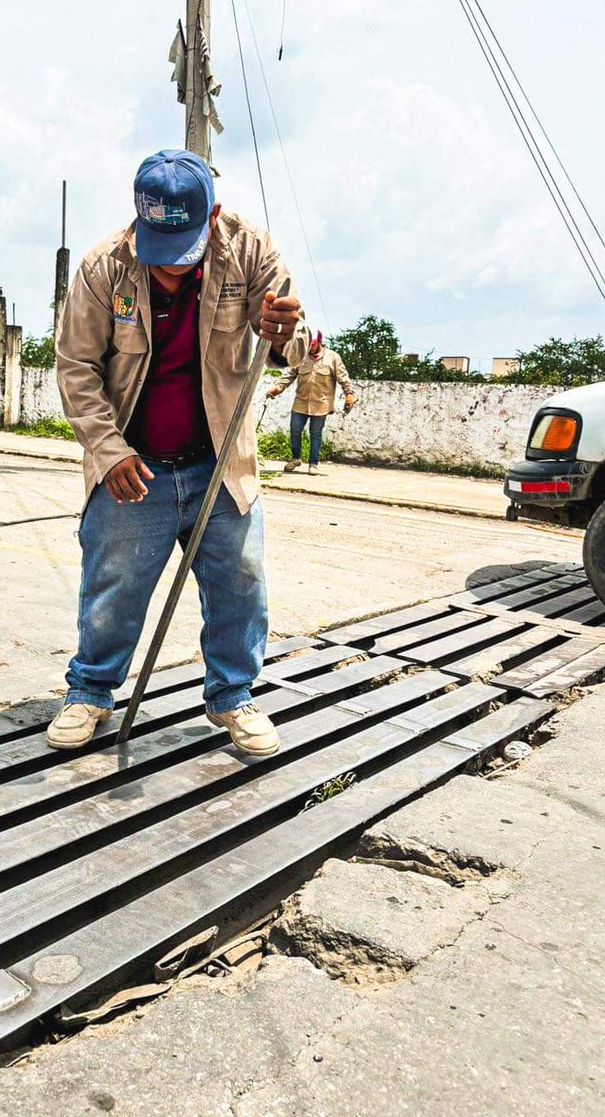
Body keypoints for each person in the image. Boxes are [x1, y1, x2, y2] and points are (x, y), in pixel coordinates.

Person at [49, 149, 311, 756]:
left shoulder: (250, 251)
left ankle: (234, 696)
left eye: (182, 257)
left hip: (219, 462)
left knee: (240, 584)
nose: (168, 272)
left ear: (211, 216)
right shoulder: (102, 268)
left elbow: (295, 349)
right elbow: (76, 367)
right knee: (112, 586)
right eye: (157, 254)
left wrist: (283, 330)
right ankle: (89, 692)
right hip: (131, 467)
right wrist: (108, 451)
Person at [266, 330, 355, 474]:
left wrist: (349, 394)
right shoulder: (300, 356)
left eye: (313, 344)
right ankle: (295, 458)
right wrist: (278, 388)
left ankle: (313, 464)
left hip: (321, 403)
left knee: (315, 434)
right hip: (301, 402)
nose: (310, 347)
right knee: (295, 431)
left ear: (319, 342)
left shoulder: (332, 357)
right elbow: (289, 375)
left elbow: (343, 377)